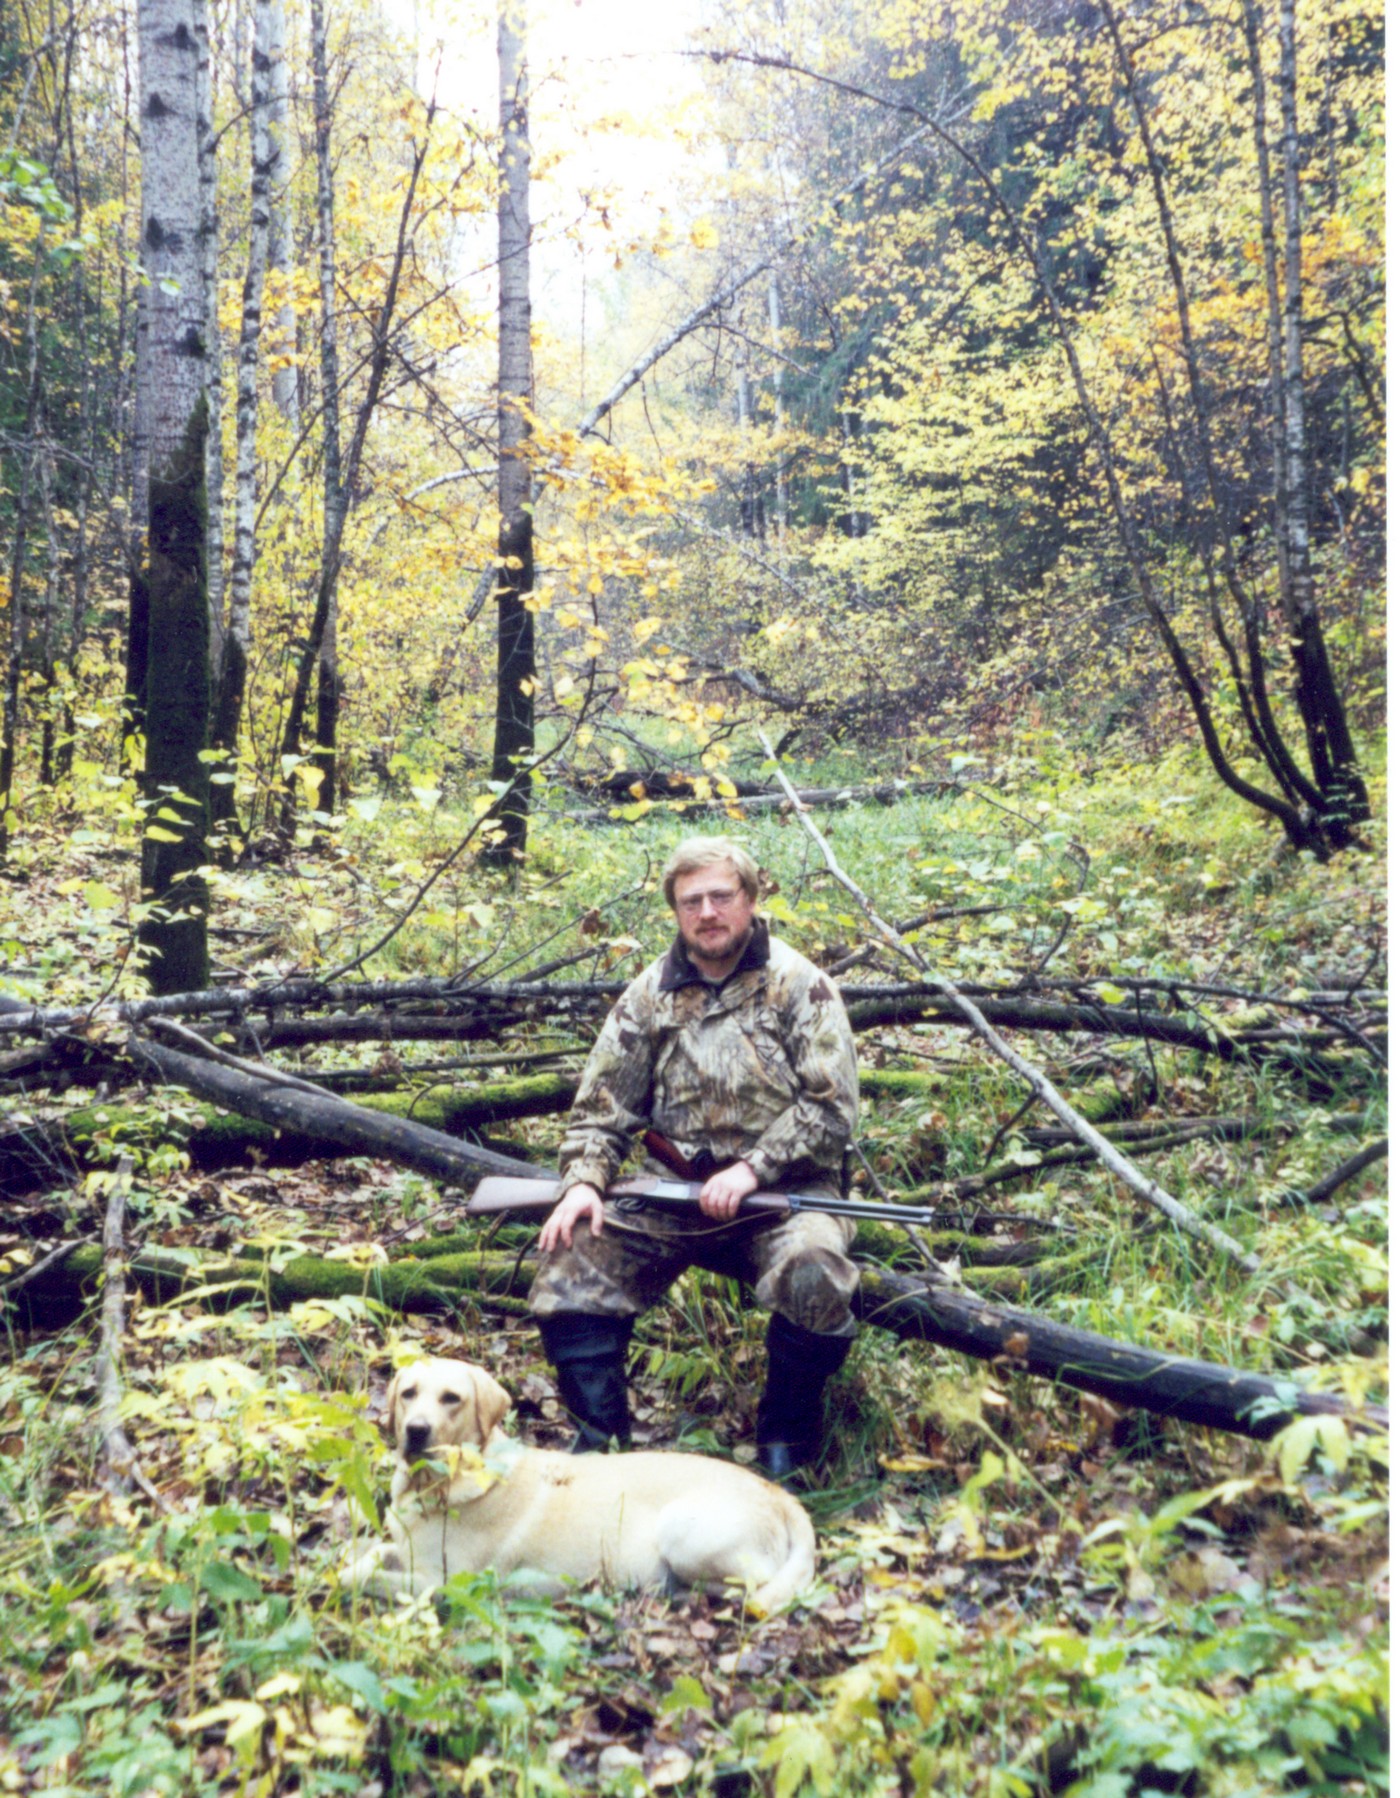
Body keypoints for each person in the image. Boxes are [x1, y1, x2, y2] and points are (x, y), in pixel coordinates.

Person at [529, 835, 862, 1481]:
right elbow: (602, 1107)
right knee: (570, 1257)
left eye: (720, 896)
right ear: (676, 911)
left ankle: (784, 1449)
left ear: (750, 898)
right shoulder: (648, 994)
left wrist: (754, 1168)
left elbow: (832, 1108)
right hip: (670, 1193)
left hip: (785, 1194)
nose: (707, 912)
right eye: (691, 901)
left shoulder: (801, 985)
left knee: (817, 1274)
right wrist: (583, 1181)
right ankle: (604, 1454)